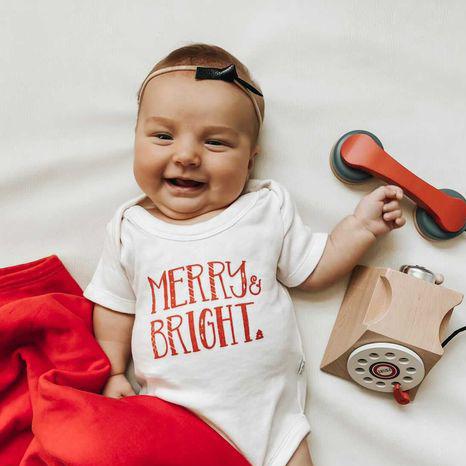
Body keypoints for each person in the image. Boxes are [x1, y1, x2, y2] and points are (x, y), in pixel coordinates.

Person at [83, 43, 405, 466]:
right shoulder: (130, 229)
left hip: (270, 421)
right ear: (136, 141)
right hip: (176, 423)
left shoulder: (263, 209)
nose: (186, 155)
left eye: (216, 142)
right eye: (163, 136)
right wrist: (112, 370)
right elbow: (115, 306)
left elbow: (314, 268)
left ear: (250, 161)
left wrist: (361, 228)